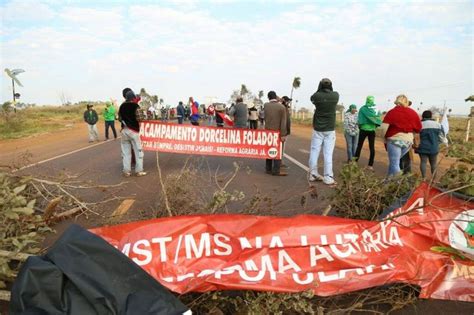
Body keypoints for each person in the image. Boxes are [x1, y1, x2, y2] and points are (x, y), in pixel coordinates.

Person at [308, 78, 339, 185]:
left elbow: (312, 97)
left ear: (320, 85)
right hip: (330, 129)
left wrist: (319, 89)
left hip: (318, 129)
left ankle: (312, 174)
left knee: (314, 151)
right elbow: (332, 92)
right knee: (328, 154)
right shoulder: (335, 95)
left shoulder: (316, 96)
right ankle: (328, 177)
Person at [381, 95, 422, 176]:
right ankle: (387, 181)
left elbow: (383, 128)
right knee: (394, 162)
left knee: (395, 163)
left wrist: (384, 139)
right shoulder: (413, 112)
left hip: (394, 140)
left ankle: (400, 183)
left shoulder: (392, 112)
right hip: (408, 141)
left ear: (396, 101)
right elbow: (418, 128)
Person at [119, 89, 146, 177]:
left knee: (125, 152)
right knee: (138, 151)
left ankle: (126, 171)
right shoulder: (135, 106)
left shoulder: (121, 106)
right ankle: (139, 171)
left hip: (124, 131)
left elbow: (119, 118)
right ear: (133, 98)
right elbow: (140, 118)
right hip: (133, 131)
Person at [353, 96, 382, 170]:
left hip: (363, 130)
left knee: (359, 146)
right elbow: (377, 119)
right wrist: (374, 126)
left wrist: (360, 126)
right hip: (372, 130)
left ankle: (355, 162)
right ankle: (370, 165)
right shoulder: (375, 110)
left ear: (366, 100)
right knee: (372, 147)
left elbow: (359, 119)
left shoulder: (362, 109)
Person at [264, 91, 287, 176]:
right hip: (278, 132)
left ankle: (268, 168)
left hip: (268, 132)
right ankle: (276, 170)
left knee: (268, 149)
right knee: (278, 150)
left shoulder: (266, 105)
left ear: (268, 97)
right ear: (276, 97)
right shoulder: (281, 107)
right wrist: (283, 134)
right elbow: (283, 122)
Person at [415, 110, 443, 179]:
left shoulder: (419, 124)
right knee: (433, 164)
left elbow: (415, 136)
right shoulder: (438, 125)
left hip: (422, 147)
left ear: (423, 116)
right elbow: (442, 137)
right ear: (431, 116)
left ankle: (423, 178)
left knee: (423, 162)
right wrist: (437, 143)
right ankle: (433, 180)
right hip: (433, 147)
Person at [399, 101, 414, 174]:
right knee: (406, 156)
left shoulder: (398, 113)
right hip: (406, 137)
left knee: (400, 155)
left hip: (399, 137)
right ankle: (406, 172)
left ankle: (401, 170)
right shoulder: (410, 114)